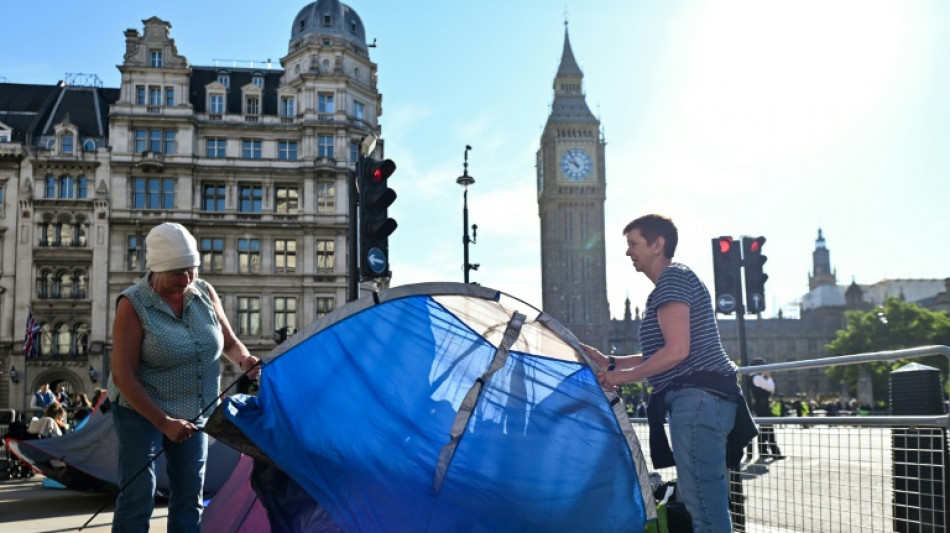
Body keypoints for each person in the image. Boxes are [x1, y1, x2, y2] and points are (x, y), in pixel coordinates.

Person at [582, 214, 756, 533]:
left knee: (704, 506)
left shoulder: (673, 279)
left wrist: (621, 378)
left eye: (633, 244)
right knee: (702, 503)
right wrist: (612, 362)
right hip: (703, 401)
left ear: (658, 244)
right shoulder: (670, 283)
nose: (628, 252)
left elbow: (677, 352)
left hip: (699, 401)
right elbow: (660, 353)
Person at [108, 222, 261, 532]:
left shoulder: (203, 291)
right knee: (139, 494)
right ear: (156, 268)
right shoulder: (133, 304)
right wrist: (163, 422)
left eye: (191, 270)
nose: (186, 279)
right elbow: (122, 375)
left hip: (196, 411)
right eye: (177, 272)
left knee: (190, 494)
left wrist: (245, 359)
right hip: (141, 410)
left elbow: (230, 343)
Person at [750, 358, 784, 460]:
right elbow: (771, 388)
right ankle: (773, 451)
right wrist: (769, 377)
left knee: (765, 429)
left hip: (761, 405)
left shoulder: (754, 377)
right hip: (762, 406)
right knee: (768, 429)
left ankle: (765, 452)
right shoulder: (757, 378)